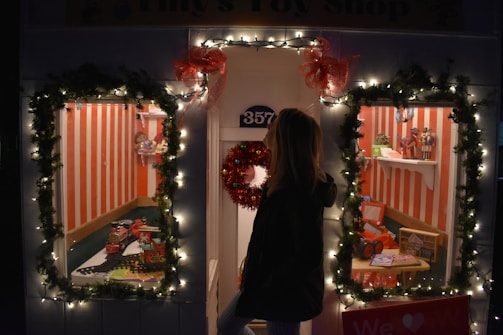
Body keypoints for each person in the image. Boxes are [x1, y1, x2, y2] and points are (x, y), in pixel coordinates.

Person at [217, 108, 337, 335]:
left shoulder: (298, 191)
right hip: (266, 286)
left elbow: (304, 254)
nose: (268, 128)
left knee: (227, 326)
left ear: (285, 138)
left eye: (273, 125)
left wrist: (268, 283)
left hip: (284, 293)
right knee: (226, 326)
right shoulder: (282, 183)